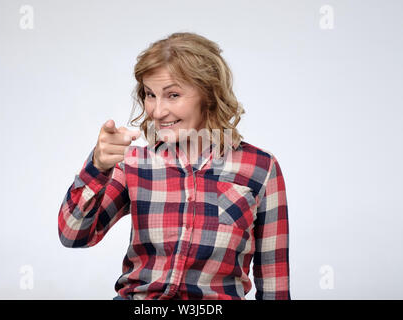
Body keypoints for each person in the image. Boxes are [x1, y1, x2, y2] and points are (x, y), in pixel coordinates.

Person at [58, 32, 290, 300]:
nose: (156, 111)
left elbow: (274, 281)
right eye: (150, 95)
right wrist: (97, 167)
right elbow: (72, 235)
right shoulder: (133, 164)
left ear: (209, 94)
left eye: (173, 95)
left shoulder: (260, 168)